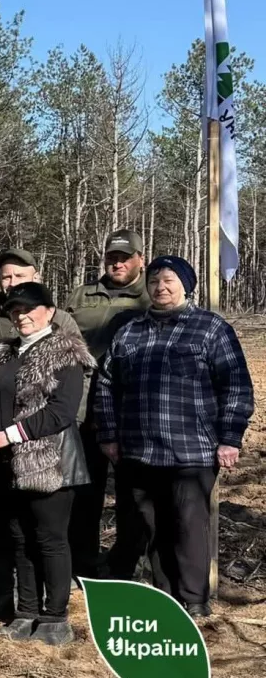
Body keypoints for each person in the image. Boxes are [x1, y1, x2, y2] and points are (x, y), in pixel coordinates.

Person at [93, 256, 254, 617]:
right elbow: (105, 385)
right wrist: (109, 434)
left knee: (188, 528)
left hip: (191, 452)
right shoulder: (130, 332)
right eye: (153, 281)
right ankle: (166, 600)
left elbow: (236, 386)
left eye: (168, 280)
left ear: (185, 285)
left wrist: (230, 437)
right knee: (151, 529)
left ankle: (195, 600)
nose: (160, 287)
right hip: (138, 451)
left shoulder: (210, 329)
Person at [0, 281, 93, 646]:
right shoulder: (0, 354)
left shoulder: (65, 352)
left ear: (49, 311)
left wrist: (9, 434)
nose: (21, 315)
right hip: (4, 465)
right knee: (20, 540)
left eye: (29, 309)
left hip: (49, 464)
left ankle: (55, 617)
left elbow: (62, 413)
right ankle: (25, 611)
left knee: (50, 540)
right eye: (14, 310)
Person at [67, 229, 150, 580]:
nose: (117, 263)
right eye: (112, 257)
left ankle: (126, 564)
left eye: (124, 257)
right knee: (84, 489)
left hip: (131, 408)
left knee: (135, 493)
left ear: (140, 260)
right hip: (84, 406)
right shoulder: (83, 294)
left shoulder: (152, 295)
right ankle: (81, 562)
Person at [0, 247, 80, 338]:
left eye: (20, 276)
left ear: (36, 278)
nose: (13, 283)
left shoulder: (61, 319)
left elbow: (76, 350)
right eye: (6, 277)